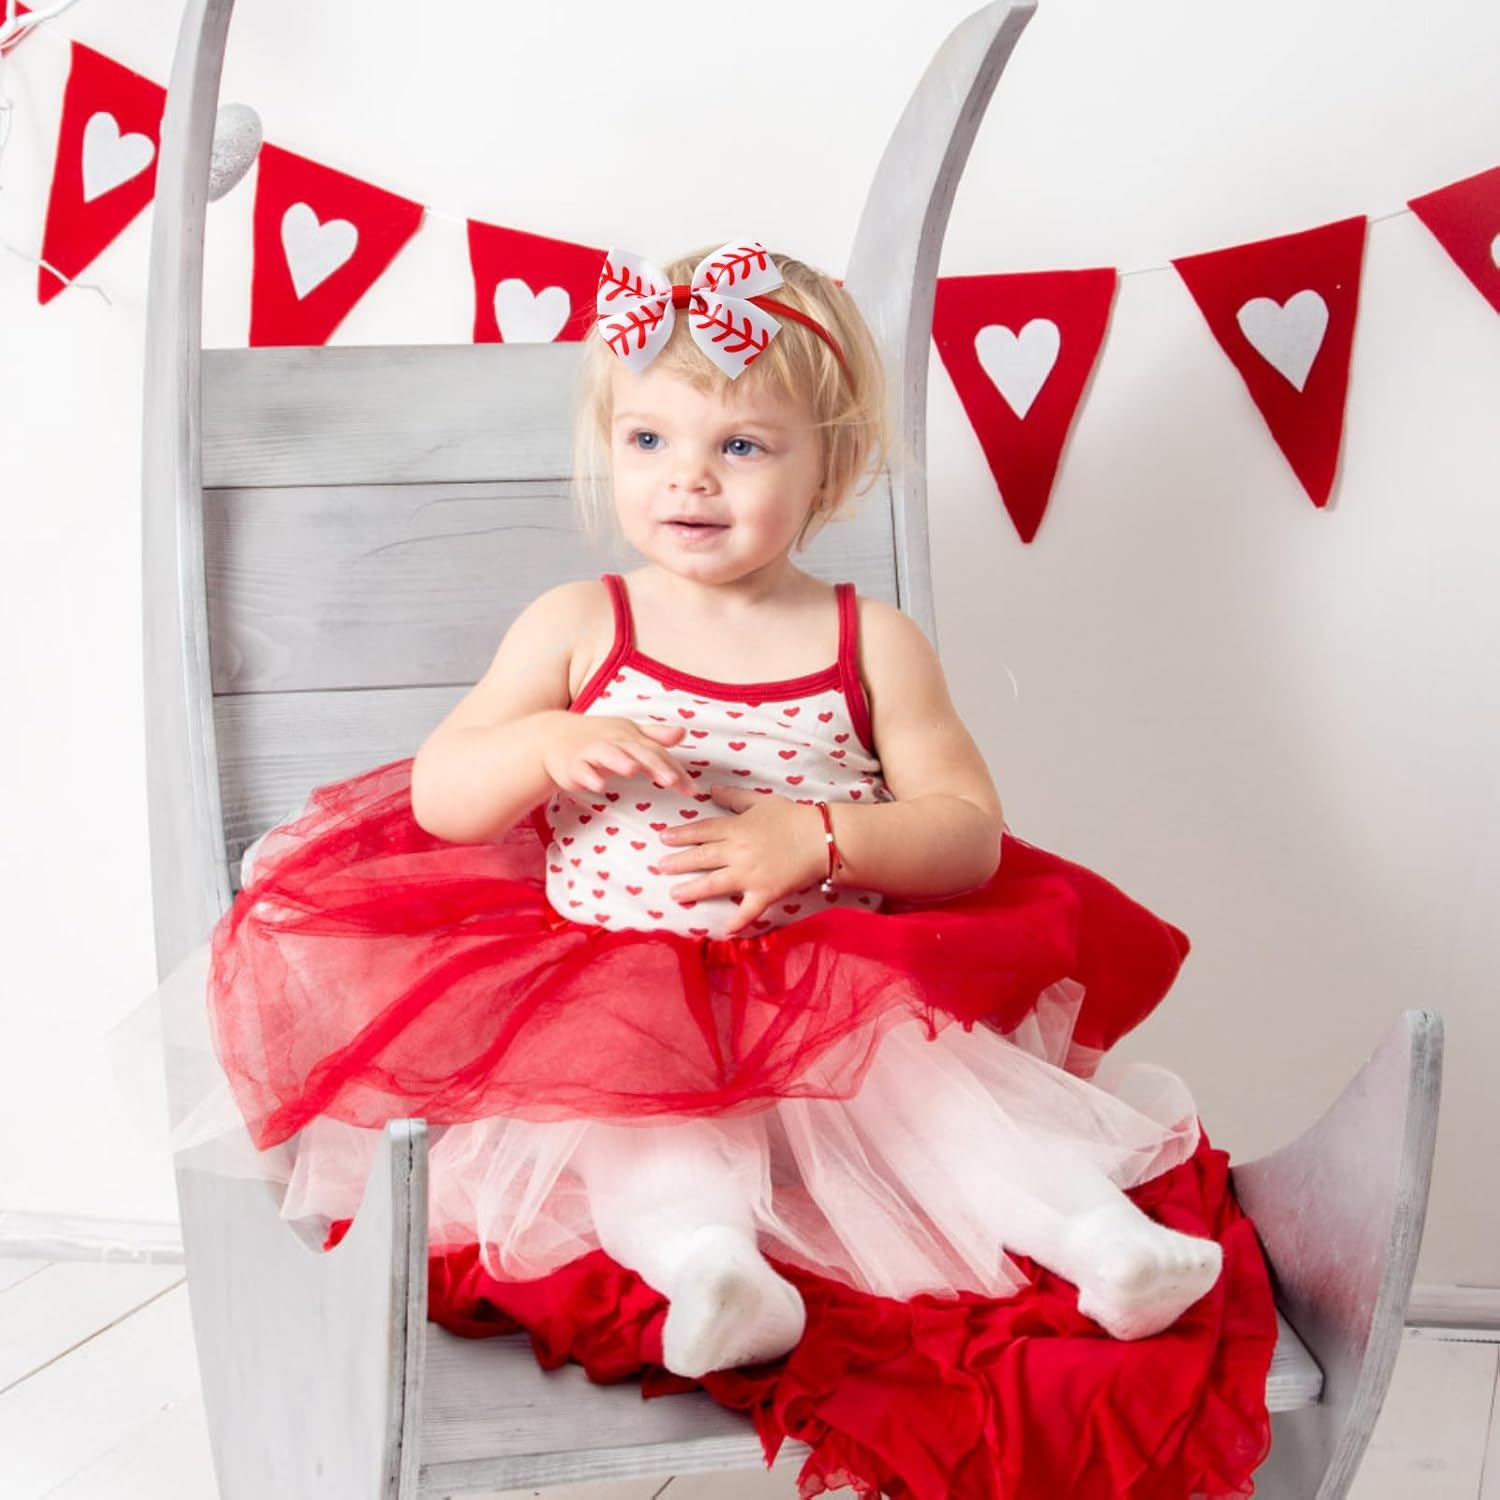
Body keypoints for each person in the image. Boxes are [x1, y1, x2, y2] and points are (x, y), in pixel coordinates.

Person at [180, 240, 1275, 1496]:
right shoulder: (581, 623)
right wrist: (542, 745)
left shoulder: (870, 639)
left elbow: (967, 827)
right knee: (643, 1138)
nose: (688, 477)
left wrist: (823, 836)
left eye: (742, 446)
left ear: (831, 468)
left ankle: (1105, 1243)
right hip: (611, 988)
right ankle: (715, 1273)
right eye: (649, 439)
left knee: (953, 1116)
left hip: (828, 991)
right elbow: (444, 792)